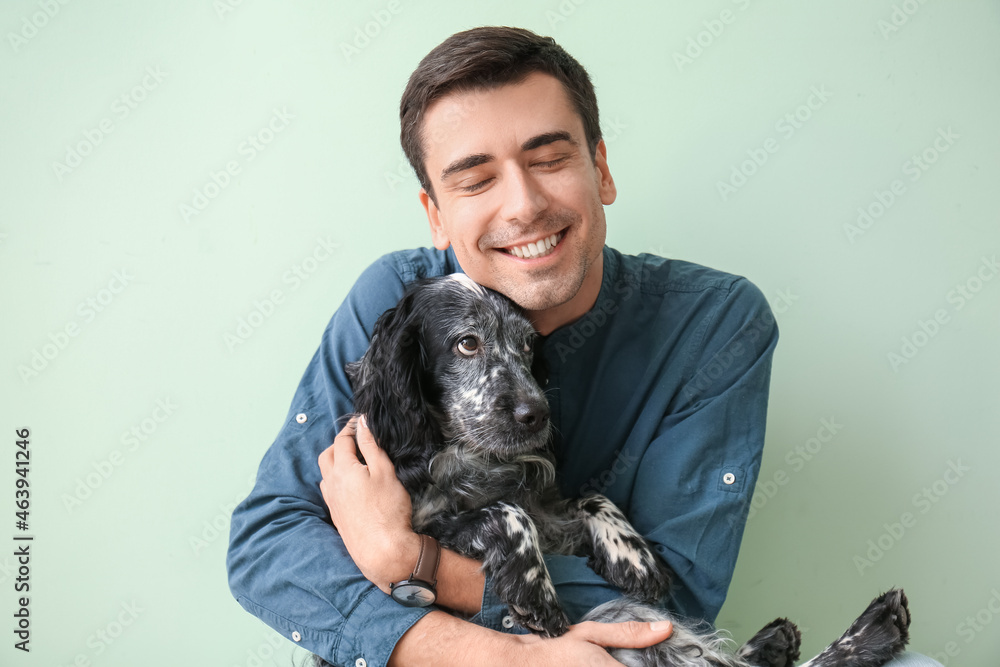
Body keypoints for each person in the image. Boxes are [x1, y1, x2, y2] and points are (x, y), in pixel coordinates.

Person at [227, 26, 938, 667]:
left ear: (600, 167)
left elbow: (674, 598)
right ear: (436, 215)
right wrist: (506, 658)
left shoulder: (715, 323)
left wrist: (413, 559)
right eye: (476, 180)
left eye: (549, 158)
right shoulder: (399, 305)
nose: (523, 205)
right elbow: (269, 546)